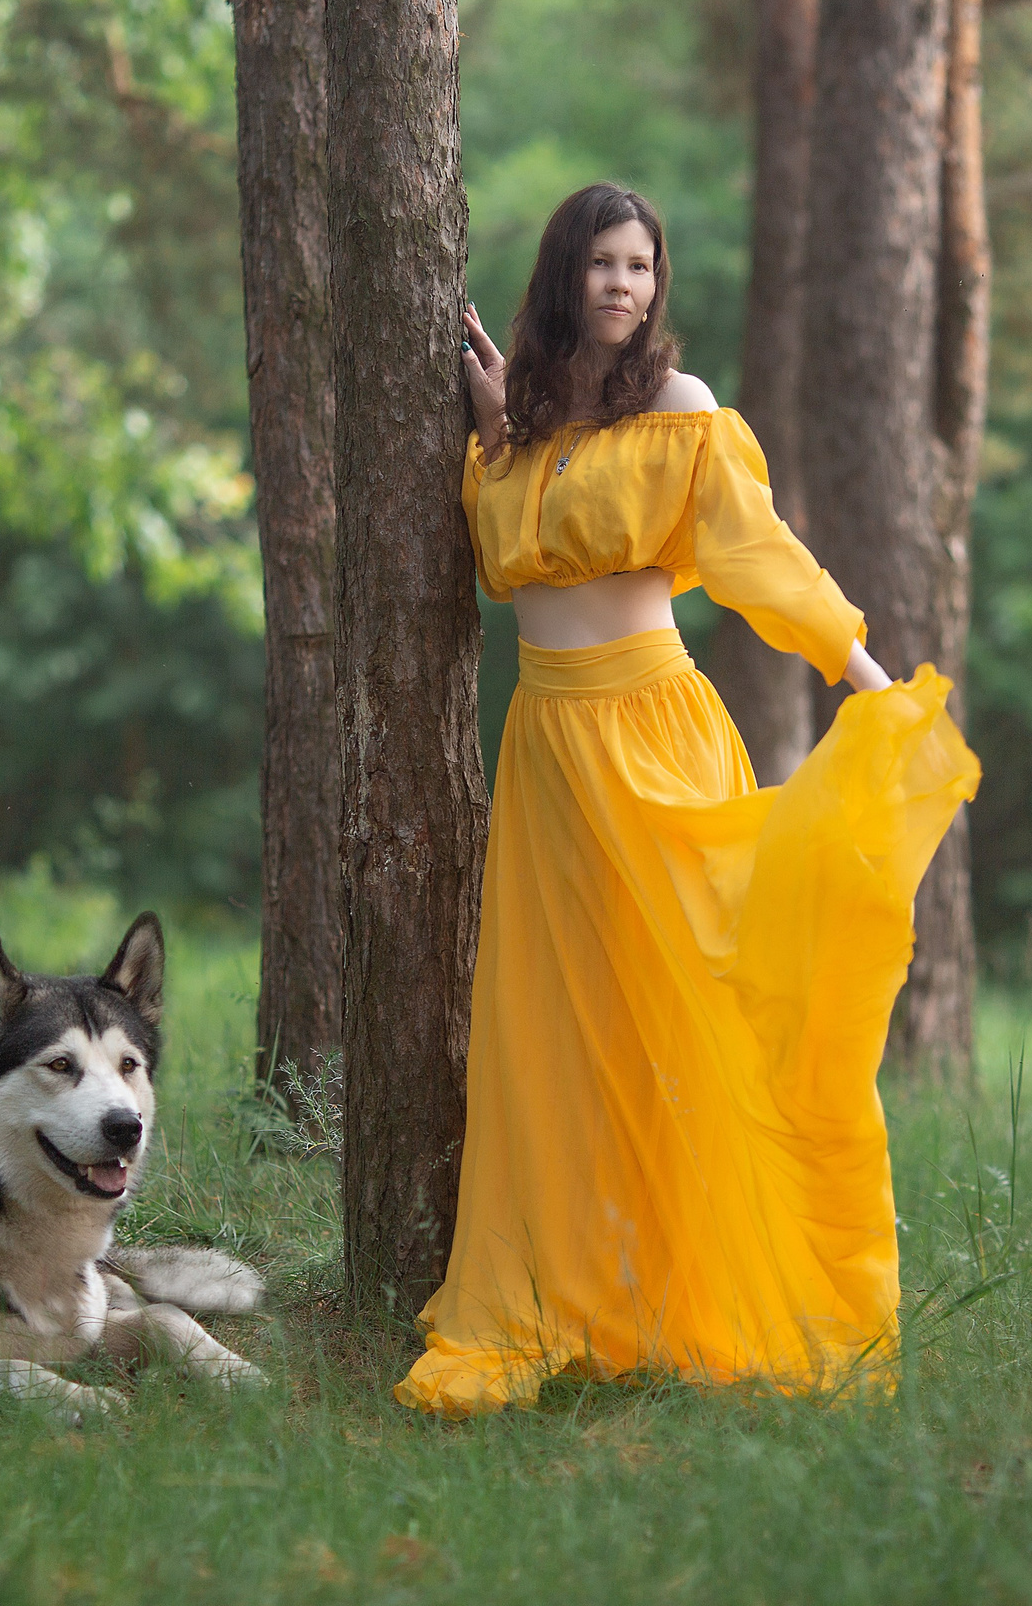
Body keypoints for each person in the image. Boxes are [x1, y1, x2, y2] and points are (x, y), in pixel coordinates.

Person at [394, 182, 979, 1418]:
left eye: (641, 266)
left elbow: (760, 557)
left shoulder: (682, 408)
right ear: (564, 275)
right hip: (545, 748)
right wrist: (499, 429)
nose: (623, 285)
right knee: (561, 1030)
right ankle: (582, 1290)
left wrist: (868, 680)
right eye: (602, 263)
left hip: (653, 733)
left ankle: (734, 1287)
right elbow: (512, 549)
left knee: (693, 1012)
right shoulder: (517, 427)